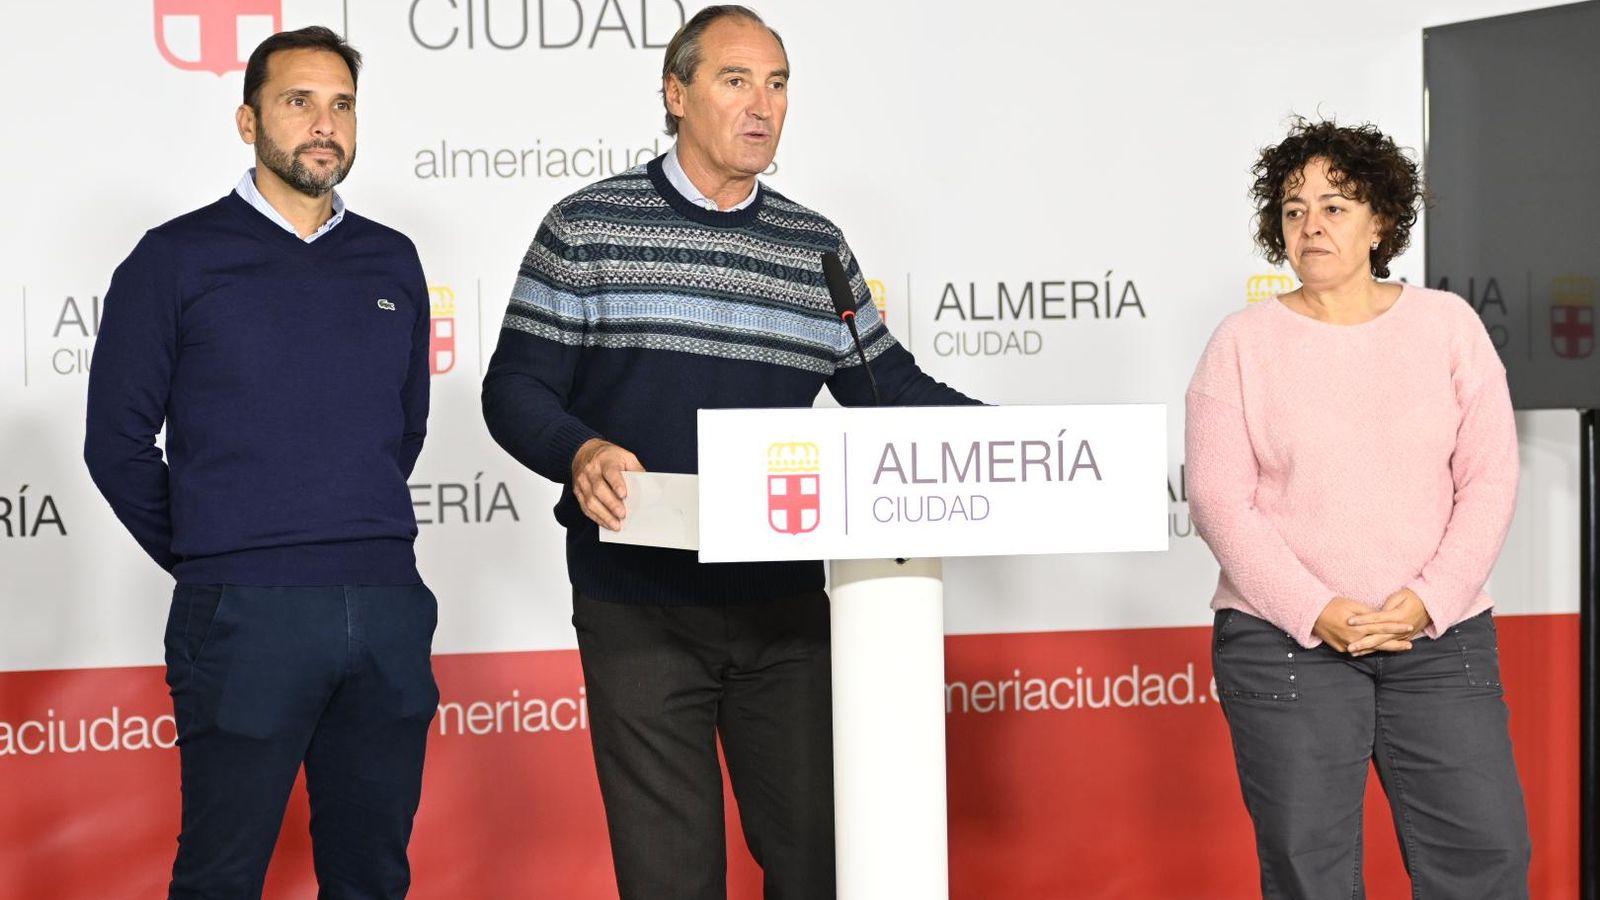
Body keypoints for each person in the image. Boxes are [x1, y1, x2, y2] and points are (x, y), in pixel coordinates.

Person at [480, 6, 975, 898]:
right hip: (637, 605)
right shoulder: (588, 227)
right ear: (675, 95)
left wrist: (1017, 440)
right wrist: (580, 449)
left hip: (783, 609)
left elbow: (886, 389)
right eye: (736, 80)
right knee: (672, 880)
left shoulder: (814, 247)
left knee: (823, 862)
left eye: (778, 84)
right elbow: (513, 389)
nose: (763, 105)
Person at [84, 26, 437, 899]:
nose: (325, 124)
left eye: (342, 105)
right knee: (221, 877)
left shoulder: (392, 259)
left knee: (374, 877)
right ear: (247, 121)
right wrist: (219, 555)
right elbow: (115, 444)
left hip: (387, 607)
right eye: (299, 102)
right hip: (243, 617)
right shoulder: (174, 258)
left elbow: (405, 428)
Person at [1186, 118, 1531, 899]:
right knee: (1312, 879)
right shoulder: (1240, 343)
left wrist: (1428, 601)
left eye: (1335, 206)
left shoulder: (1449, 327)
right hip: (1285, 646)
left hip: (1439, 643)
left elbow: (1489, 479)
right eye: (1293, 208)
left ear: (1380, 220)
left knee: (1485, 860)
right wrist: (1317, 609)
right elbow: (1217, 499)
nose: (1311, 225)